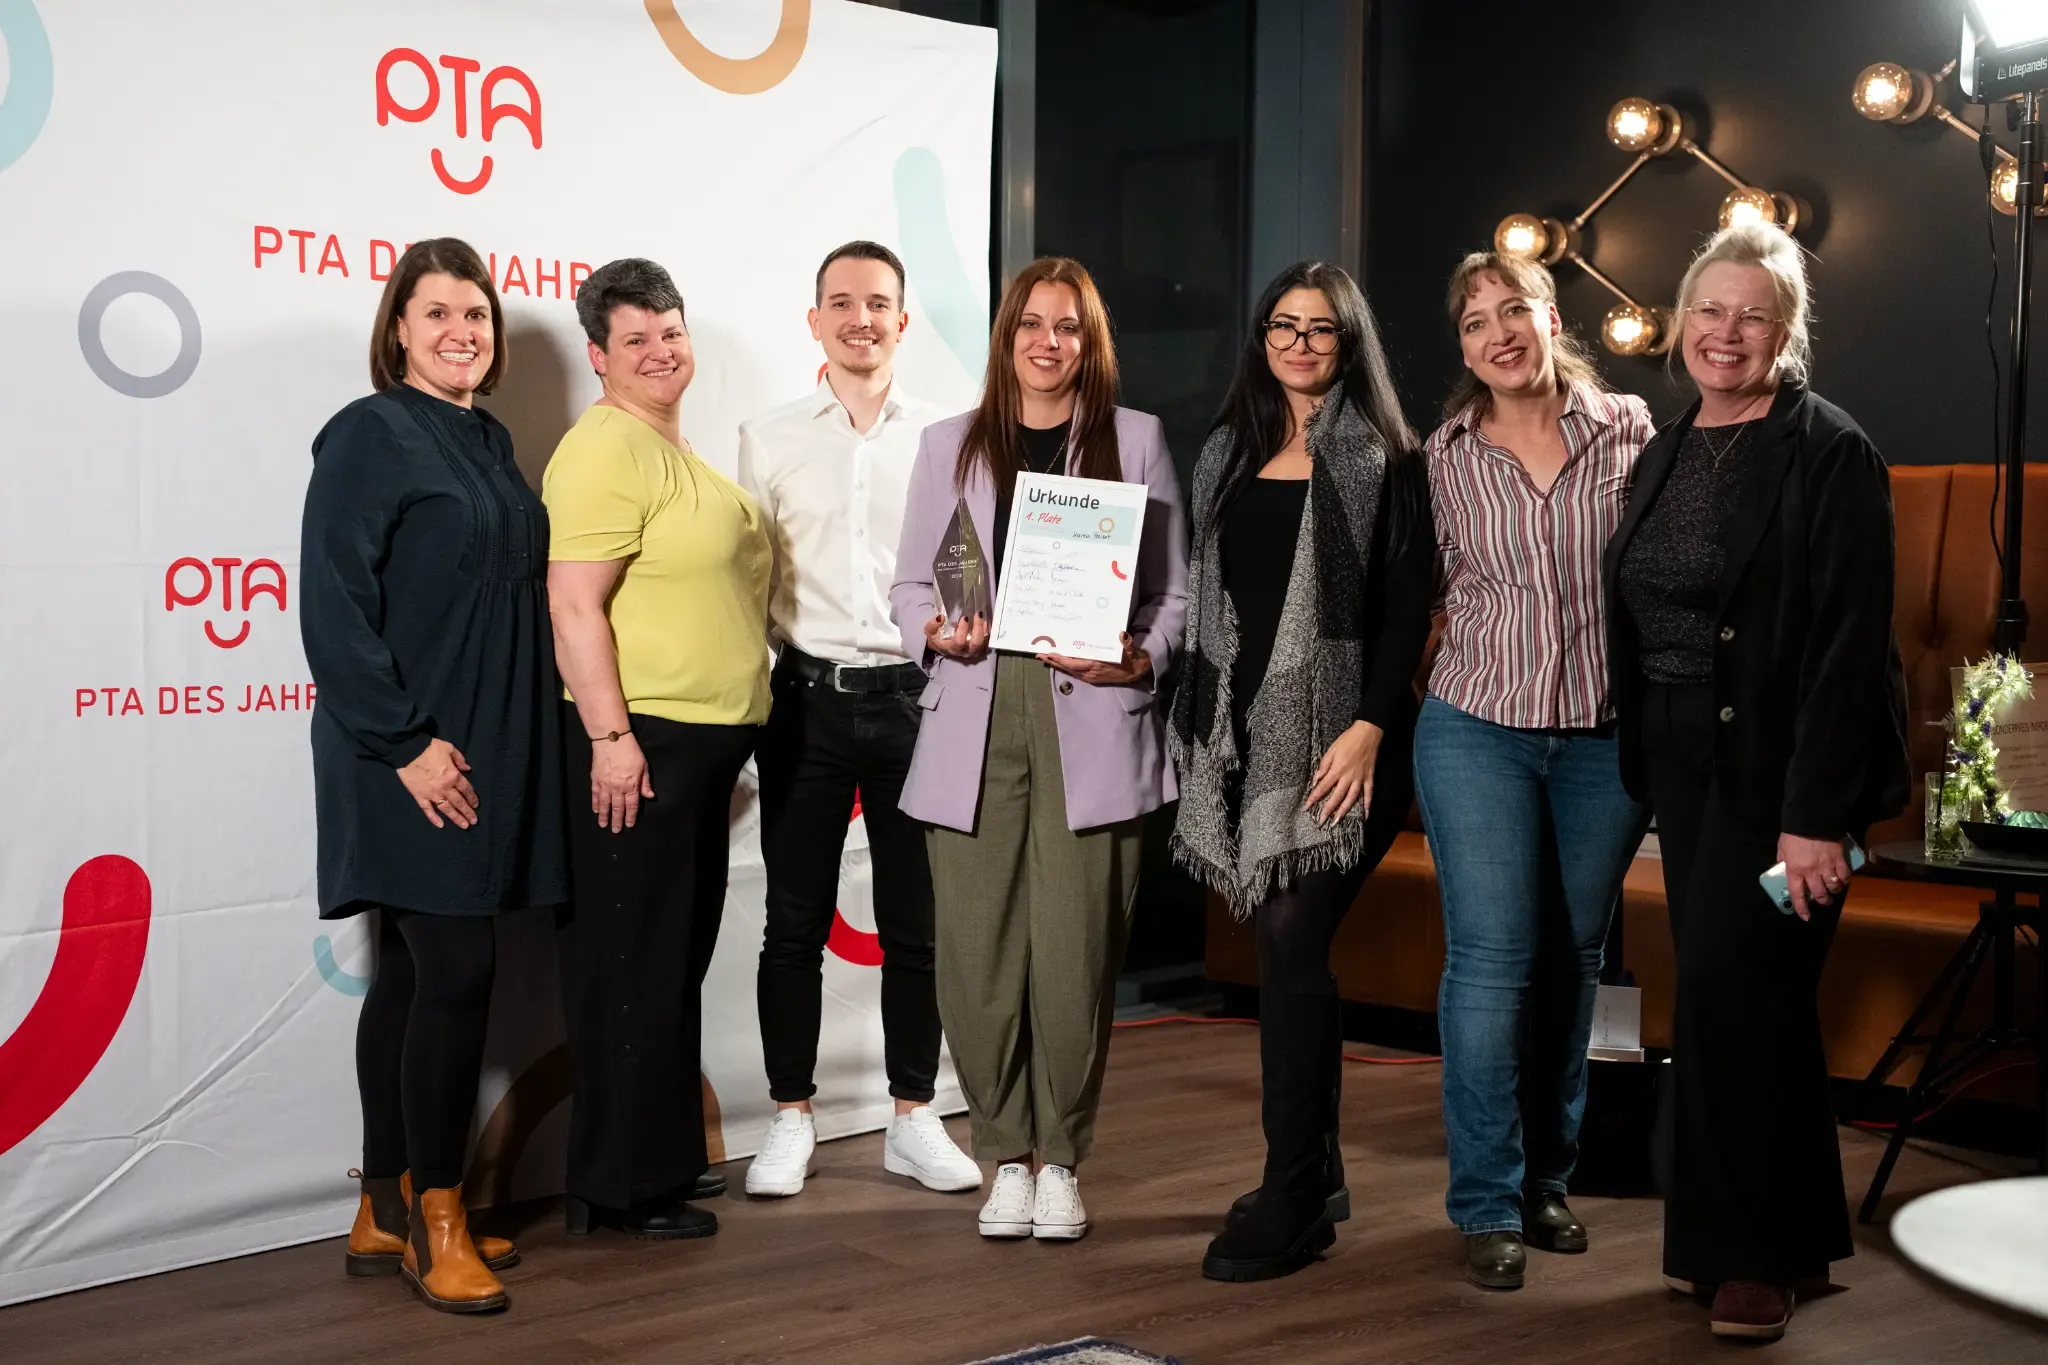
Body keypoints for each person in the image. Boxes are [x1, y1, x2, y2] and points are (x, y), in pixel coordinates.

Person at [1605, 223, 1908, 1341]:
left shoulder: (1829, 450)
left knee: (1739, 1003)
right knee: (1742, 1002)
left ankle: (1747, 1263)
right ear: (1681, 319)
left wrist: (1813, 817)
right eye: (1709, 310)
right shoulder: (1669, 443)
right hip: (1684, 766)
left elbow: (1848, 646)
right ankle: (1786, 1240)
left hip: (1781, 774)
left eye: (1752, 317)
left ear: (1786, 335)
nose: (1725, 333)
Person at [889, 256, 1188, 1241]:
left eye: (1067, 326)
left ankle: (1059, 1159)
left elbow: (1174, 590)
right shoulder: (948, 443)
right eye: (1030, 323)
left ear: (1089, 343)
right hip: (976, 711)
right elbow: (911, 586)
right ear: (1006, 336)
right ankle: (1003, 1156)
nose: (1047, 342)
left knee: (1073, 956)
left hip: (1091, 713)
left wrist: (1140, 654)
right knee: (974, 957)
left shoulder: (1135, 439)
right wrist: (934, 633)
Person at [302, 237, 564, 1314]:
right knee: (455, 968)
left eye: (477, 314)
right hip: (403, 749)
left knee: (412, 973)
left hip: (483, 741)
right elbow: (332, 605)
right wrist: (405, 744)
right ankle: (438, 1220)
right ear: (399, 330)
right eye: (439, 313)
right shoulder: (367, 433)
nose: (463, 331)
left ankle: (382, 1204)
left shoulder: (488, 439)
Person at [1169, 262, 1434, 1282]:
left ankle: (1289, 1193)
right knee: (1288, 950)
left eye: (1321, 330)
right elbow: (1211, 599)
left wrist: (1368, 727)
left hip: (1350, 744)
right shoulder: (1226, 451)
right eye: (1283, 326)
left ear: (1348, 343)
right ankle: (1315, 1172)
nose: (1300, 344)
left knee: (1287, 935)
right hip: (1244, 736)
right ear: (1261, 336)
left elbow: (1406, 610)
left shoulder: (1384, 459)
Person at [1416, 252, 1653, 1291]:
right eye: (1475, 323)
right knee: (1492, 959)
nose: (1498, 334)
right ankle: (1484, 1201)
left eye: (1513, 309)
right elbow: (1411, 592)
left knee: (1572, 961)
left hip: (1602, 739)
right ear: (1464, 349)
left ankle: (1547, 1182)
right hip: (1478, 728)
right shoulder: (1442, 456)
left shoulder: (1632, 432)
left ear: (1552, 318)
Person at [735, 241, 979, 1198]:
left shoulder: (950, 437)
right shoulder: (768, 436)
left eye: (877, 302)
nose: (860, 318)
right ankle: (789, 1116)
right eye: (841, 302)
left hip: (917, 701)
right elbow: (752, 580)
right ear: (815, 320)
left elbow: (965, 566)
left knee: (918, 924)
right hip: (805, 701)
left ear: (903, 321)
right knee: (791, 922)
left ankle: (913, 1116)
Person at [543, 258, 772, 1240]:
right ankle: (620, 1188)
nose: (658, 351)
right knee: (628, 964)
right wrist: (610, 738)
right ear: (598, 356)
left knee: (666, 960)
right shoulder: (606, 449)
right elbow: (572, 604)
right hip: (642, 744)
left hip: (694, 751)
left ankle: (661, 1159)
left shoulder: (671, 449)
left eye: (669, 332)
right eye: (633, 338)